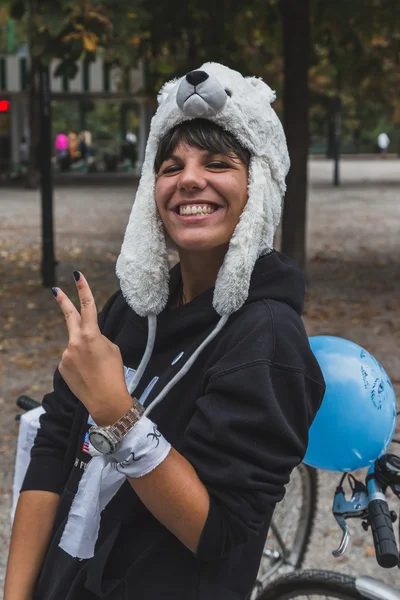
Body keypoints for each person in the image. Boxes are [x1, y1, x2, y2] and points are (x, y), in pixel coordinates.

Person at [4, 63, 325, 600]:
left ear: (259, 187)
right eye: (170, 165)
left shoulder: (268, 341)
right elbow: (55, 446)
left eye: (219, 163)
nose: (189, 179)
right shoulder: (129, 309)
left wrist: (117, 413)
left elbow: (220, 534)